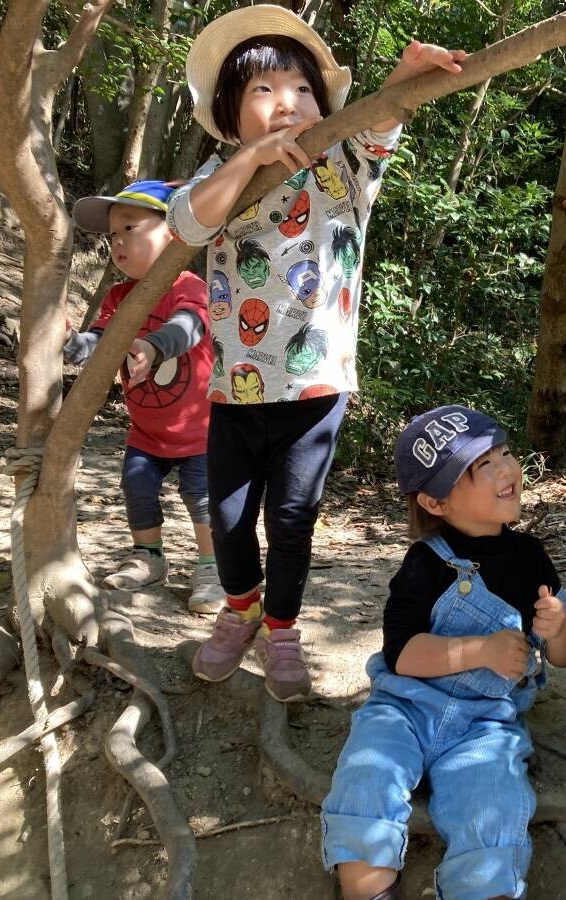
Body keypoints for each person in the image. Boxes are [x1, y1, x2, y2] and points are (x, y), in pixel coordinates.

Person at [166, 5, 466, 700]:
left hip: (313, 389)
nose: (287, 103)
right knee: (231, 517)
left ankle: (281, 629)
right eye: (263, 92)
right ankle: (239, 606)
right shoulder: (222, 175)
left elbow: (384, 122)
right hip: (235, 390)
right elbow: (187, 222)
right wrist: (248, 162)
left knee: (292, 519)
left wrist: (404, 77)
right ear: (229, 112)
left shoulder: (344, 168)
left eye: (301, 88)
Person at [321, 405, 566, 900]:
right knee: (367, 773)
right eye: (483, 466)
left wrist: (559, 628)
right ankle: (367, 890)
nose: (507, 469)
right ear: (435, 502)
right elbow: (402, 655)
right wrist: (480, 650)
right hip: (405, 708)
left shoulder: (531, 558)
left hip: (487, 724)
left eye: (505, 452)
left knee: (496, 804)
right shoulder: (425, 562)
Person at [64, 179, 222, 614]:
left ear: (173, 230)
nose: (117, 242)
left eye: (129, 228)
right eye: (113, 235)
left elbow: (190, 326)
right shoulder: (118, 297)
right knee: (136, 484)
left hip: (201, 431)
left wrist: (153, 346)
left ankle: (212, 567)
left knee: (202, 496)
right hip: (147, 431)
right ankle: (149, 555)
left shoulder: (188, 285)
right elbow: (98, 343)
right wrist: (70, 343)